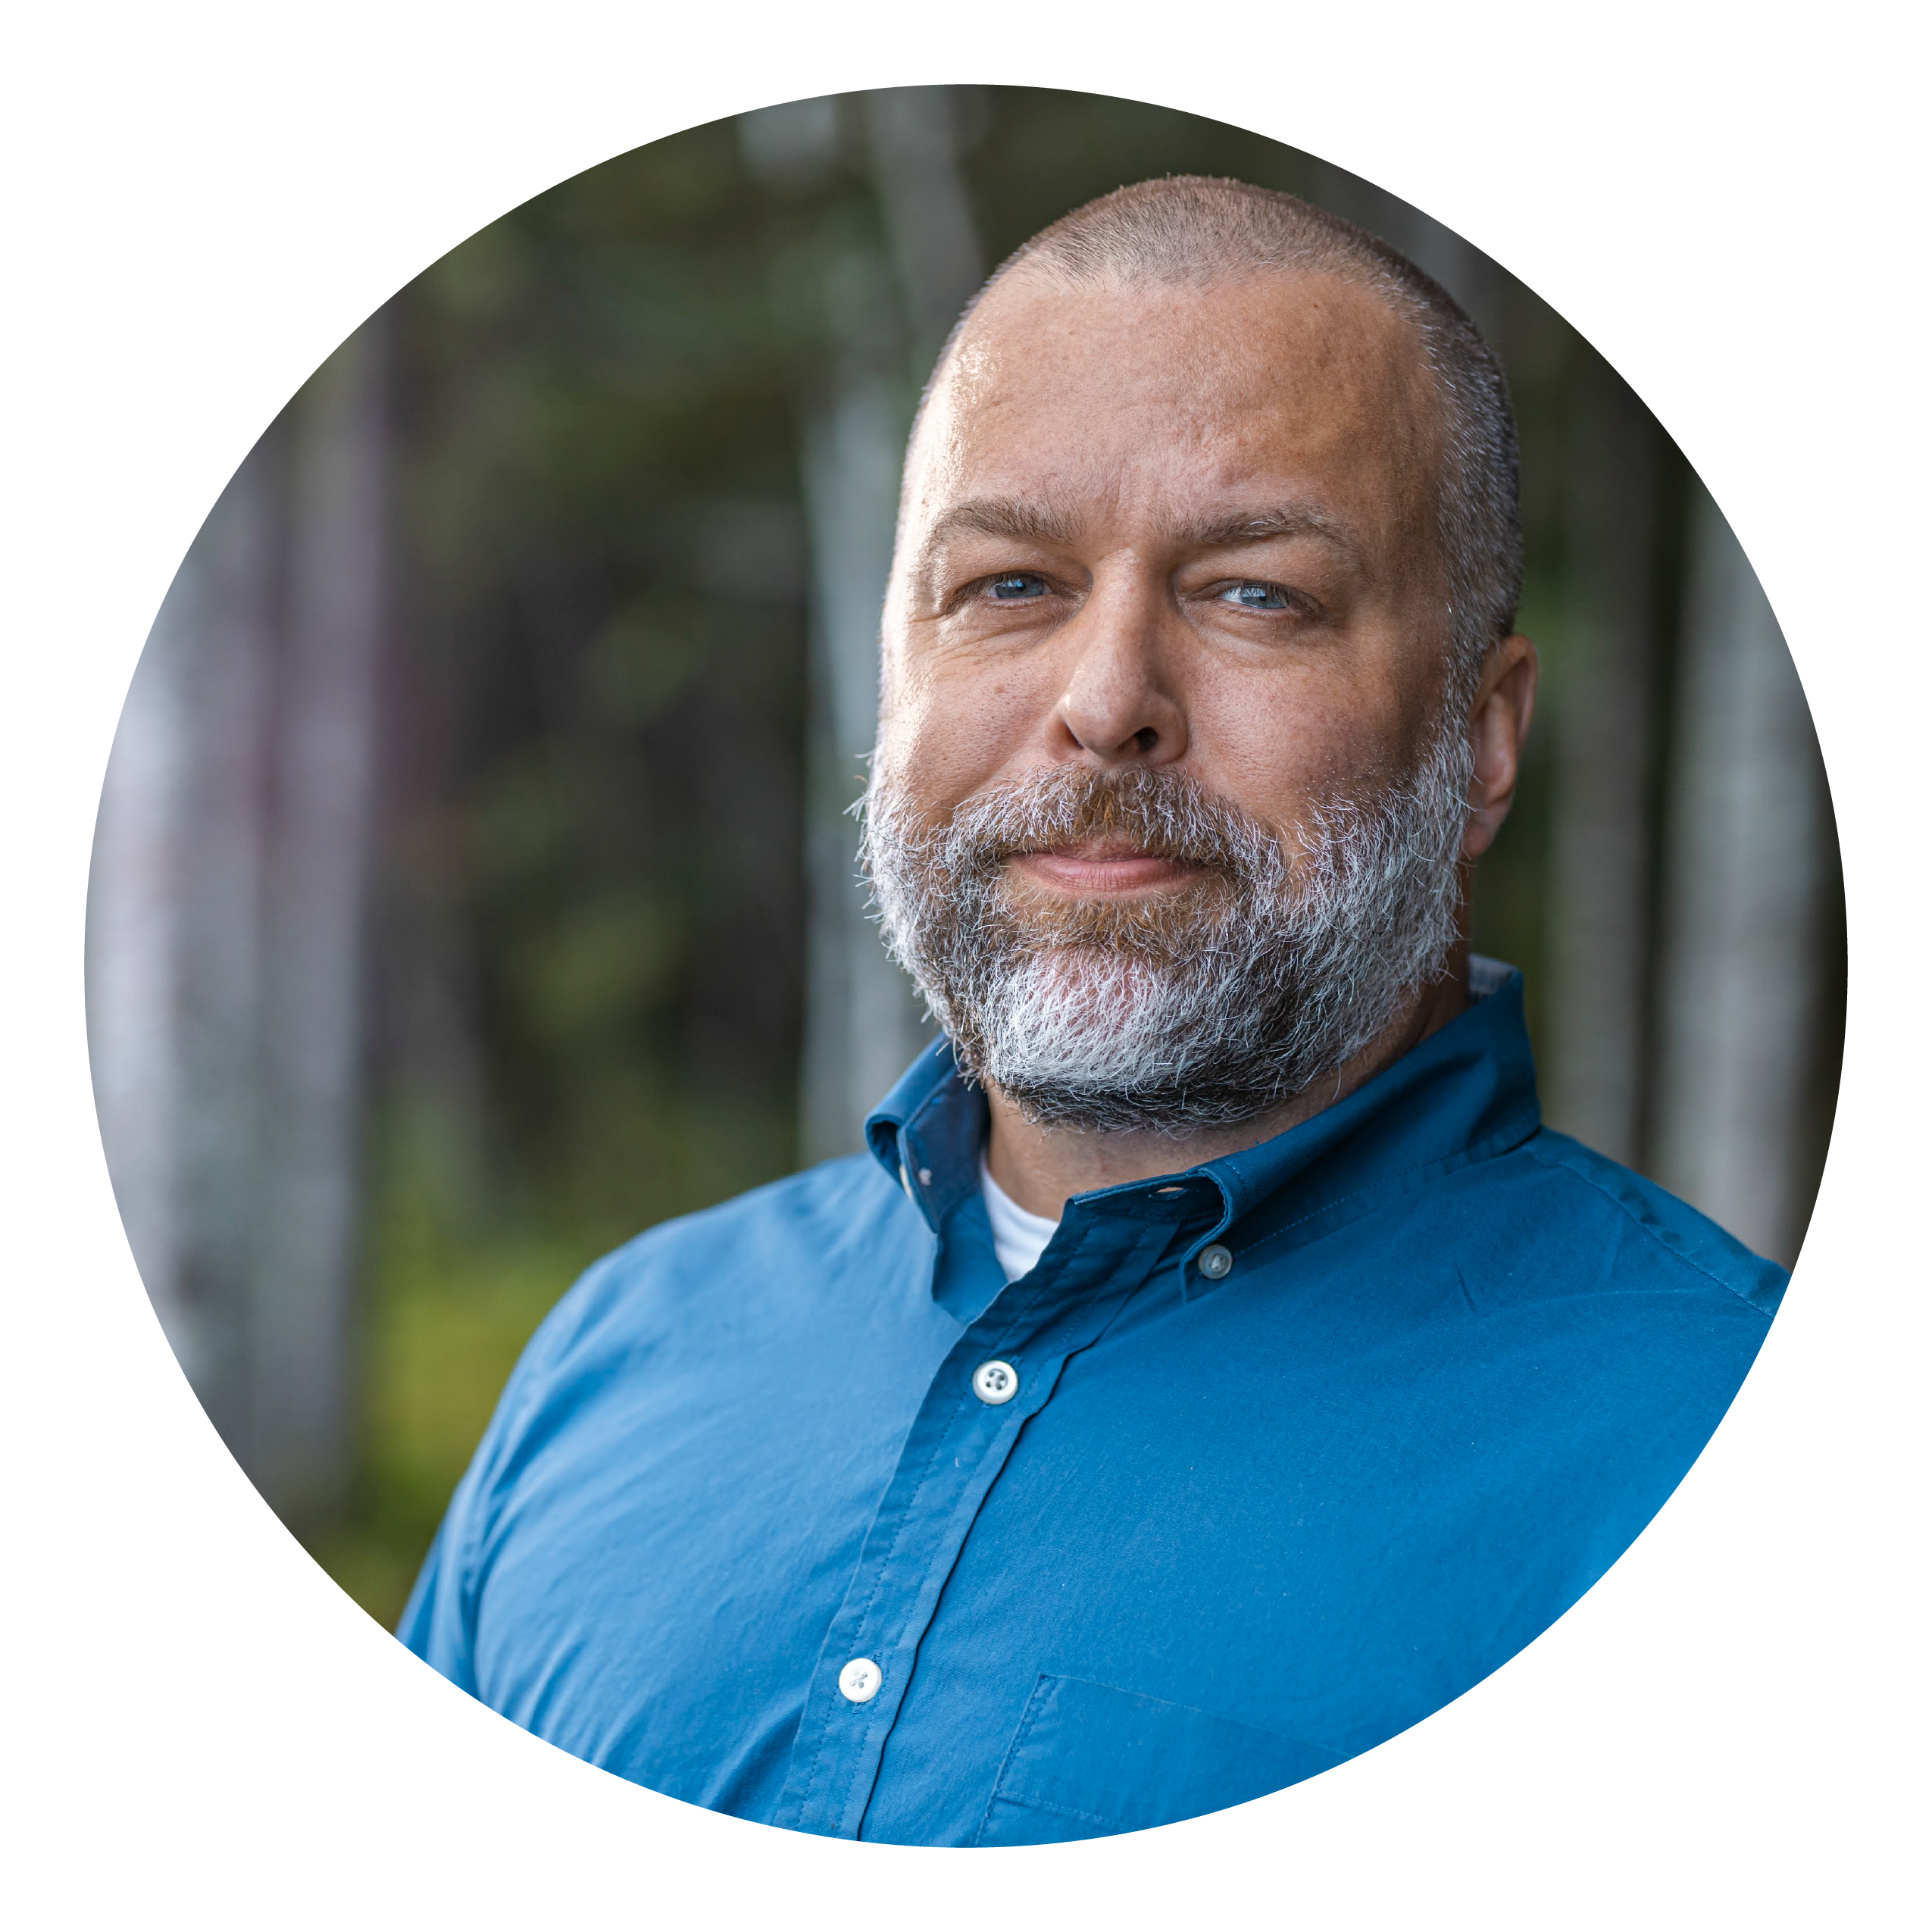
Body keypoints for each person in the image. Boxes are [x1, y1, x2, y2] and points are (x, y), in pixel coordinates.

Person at [400, 177, 1783, 1846]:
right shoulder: (622, 1353)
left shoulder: (1742, 1460)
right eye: (1010, 587)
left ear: (1479, 744)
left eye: (1255, 592)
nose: (1107, 700)